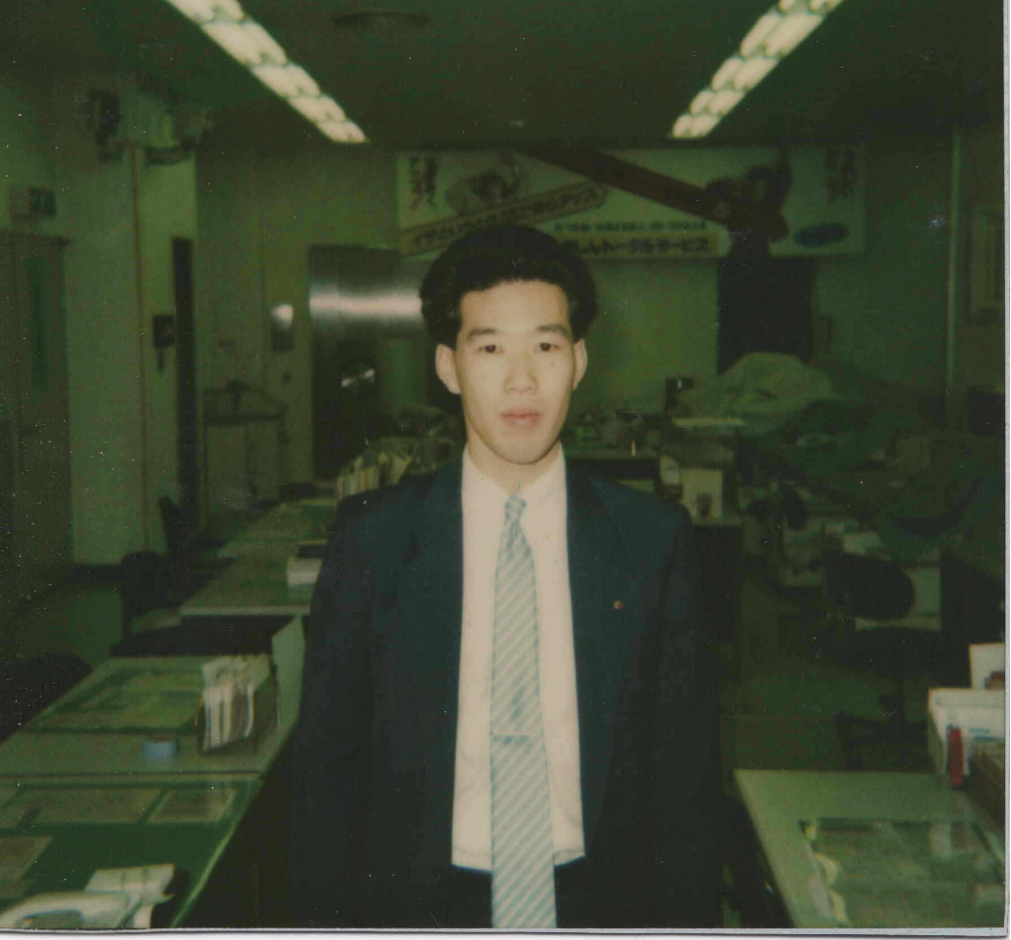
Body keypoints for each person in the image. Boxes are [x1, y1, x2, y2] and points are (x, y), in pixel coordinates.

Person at [286, 224, 719, 929]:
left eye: (546, 346)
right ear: (448, 366)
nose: (522, 380)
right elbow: (325, 776)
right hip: (421, 908)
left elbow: (685, 784)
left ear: (579, 361)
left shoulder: (651, 541)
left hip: (601, 906)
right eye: (490, 348)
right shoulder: (374, 539)